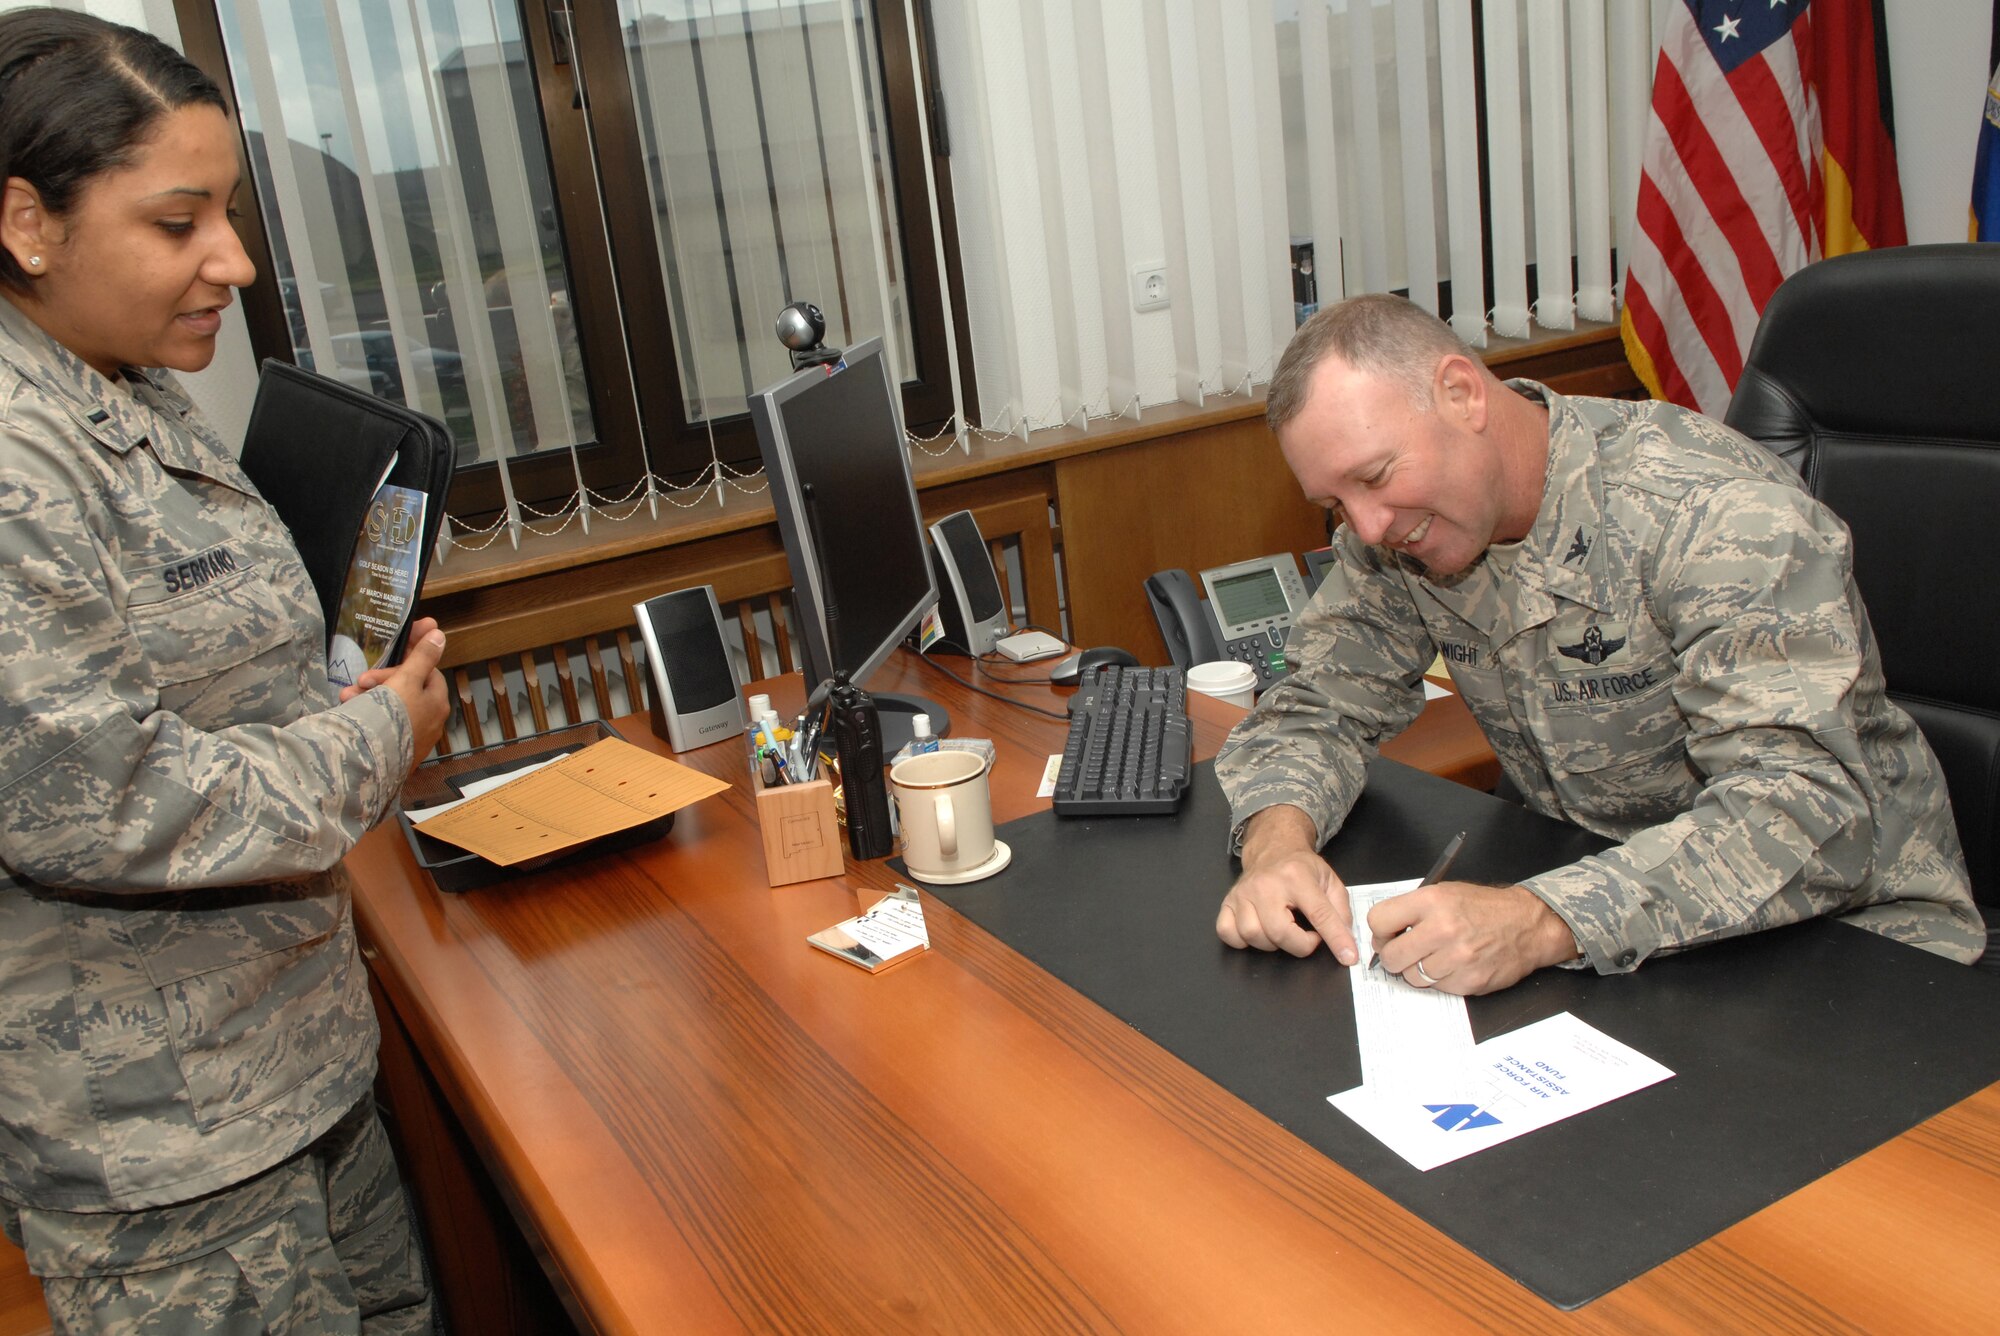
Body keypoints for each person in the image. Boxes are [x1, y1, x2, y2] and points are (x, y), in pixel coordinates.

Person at [0, 11, 448, 1332]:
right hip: (170, 1153)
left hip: (282, 1063)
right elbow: (104, 800)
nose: (234, 262)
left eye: (231, 213)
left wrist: (326, 703)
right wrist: (380, 737)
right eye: (177, 221)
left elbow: (193, 678)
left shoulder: (116, 376)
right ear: (26, 223)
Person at [1214, 293, 1983, 995]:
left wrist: (1540, 921)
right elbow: (1318, 704)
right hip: (1613, 921)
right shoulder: (1400, 530)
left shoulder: (1715, 515)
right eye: (1335, 504)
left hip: (1849, 943)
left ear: (1461, 393)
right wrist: (1279, 845)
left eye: (1376, 476)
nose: (1369, 525)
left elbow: (1803, 813)